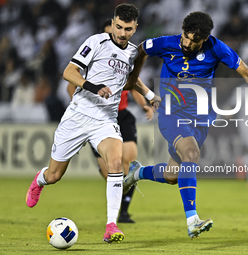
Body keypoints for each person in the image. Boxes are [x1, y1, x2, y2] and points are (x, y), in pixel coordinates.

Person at [123, 11, 248, 239]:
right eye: (186, 37)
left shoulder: (217, 48)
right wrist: (133, 78)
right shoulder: (166, 43)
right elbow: (142, 48)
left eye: (194, 41)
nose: (188, 43)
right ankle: (192, 221)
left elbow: (246, 72)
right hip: (171, 113)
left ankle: (137, 172)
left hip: (200, 119)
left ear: (204, 39)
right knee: (191, 153)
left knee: (173, 175)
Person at [25, 3, 157, 243]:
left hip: (105, 119)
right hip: (78, 114)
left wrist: (150, 97)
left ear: (135, 27)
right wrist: (94, 87)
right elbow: (69, 72)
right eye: (118, 27)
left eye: (128, 29)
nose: (122, 33)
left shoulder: (132, 53)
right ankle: (39, 180)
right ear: (113, 21)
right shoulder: (95, 41)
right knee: (55, 175)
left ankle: (111, 226)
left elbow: (132, 81)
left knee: (116, 163)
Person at [67, 19, 154, 223]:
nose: (119, 36)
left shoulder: (126, 56)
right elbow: (71, 85)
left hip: (121, 113)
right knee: (110, 174)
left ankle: (123, 212)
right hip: (97, 116)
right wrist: (80, 105)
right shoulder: (93, 55)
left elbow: (133, 85)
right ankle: (116, 198)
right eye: (114, 31)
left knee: (129, 161)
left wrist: (144, 104)